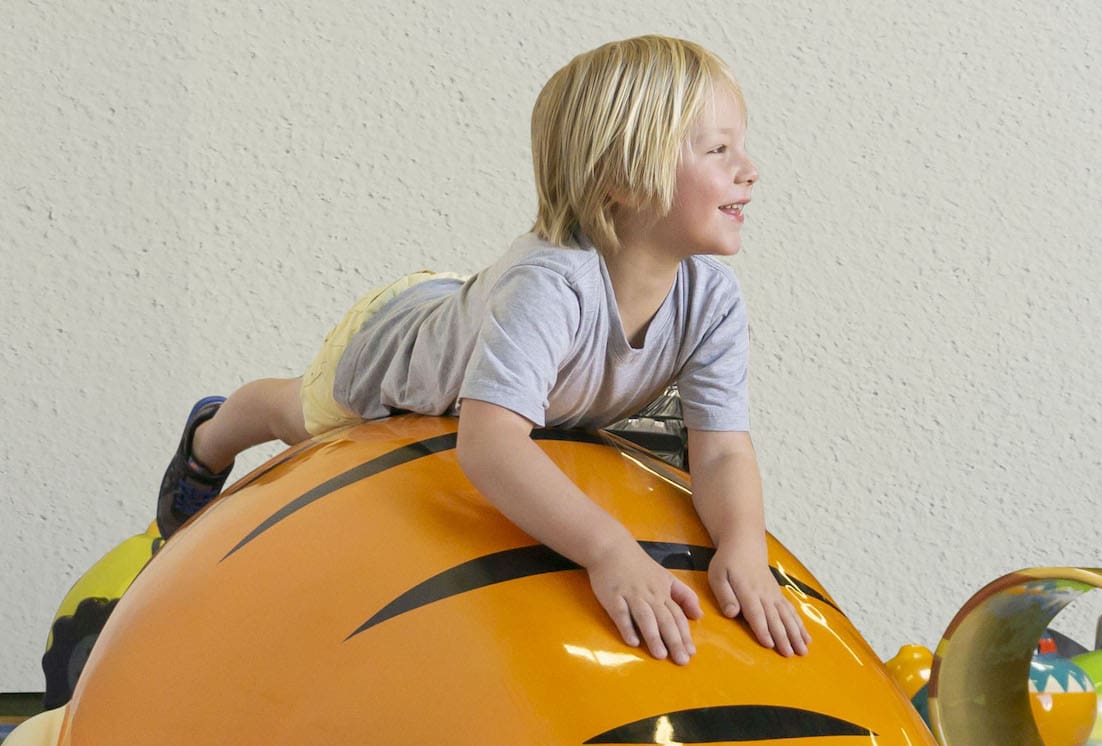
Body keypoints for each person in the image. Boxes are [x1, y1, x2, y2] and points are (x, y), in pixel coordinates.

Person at [156, 35, 809, 665]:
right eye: (719, 149)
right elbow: (489, 444)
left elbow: (721, 448)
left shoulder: (712, 298)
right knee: (298, 416)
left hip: (484, 322)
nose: (749, 170)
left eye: (740, 147)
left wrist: (743, 546)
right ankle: (213, 433)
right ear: (625, 180)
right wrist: (609, 549)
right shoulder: (551, 286)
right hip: (394, 348)